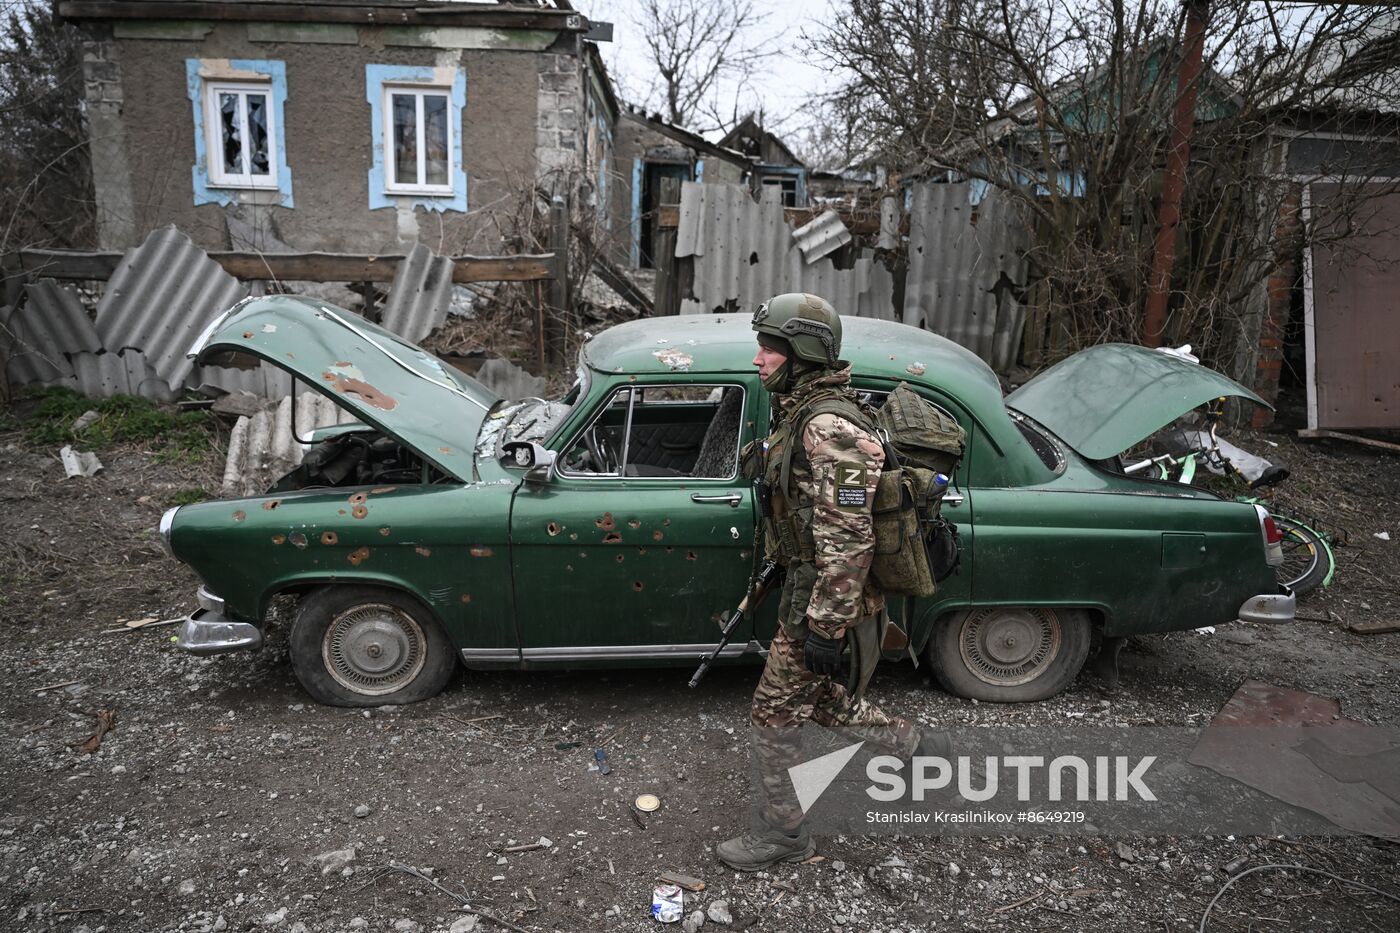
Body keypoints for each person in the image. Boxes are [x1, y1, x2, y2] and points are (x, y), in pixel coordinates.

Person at [717, 292, 944, 872]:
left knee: (773, 710)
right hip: (809, 590)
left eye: (769, 348)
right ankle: (914, 747)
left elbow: (849, 540)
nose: (758, 359)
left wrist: (826, 626)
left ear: (802, 353)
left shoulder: (831, 427)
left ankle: (784, 837)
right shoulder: (801, 410)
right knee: (818, 698)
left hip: (828, 598)